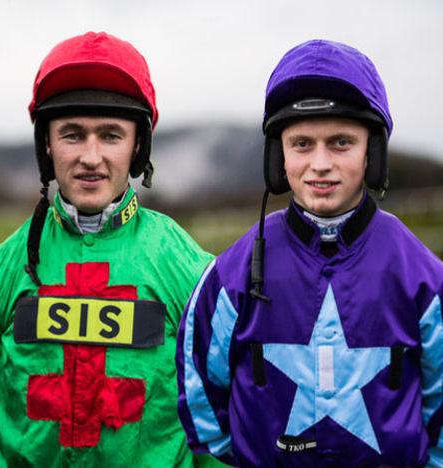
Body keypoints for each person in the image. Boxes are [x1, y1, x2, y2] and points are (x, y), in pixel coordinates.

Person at [176, 39, 443, 467]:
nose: (320, 163)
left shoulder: (421, 273)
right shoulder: (234, 270)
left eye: (341, 143)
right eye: (302, 144)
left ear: (372, 152)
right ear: (276, 156)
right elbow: (202, 384)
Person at [0, 31, 216, 467]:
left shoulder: (194, 273)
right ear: (46, 144)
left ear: (138, 146)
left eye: (110, 135)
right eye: (72, 135)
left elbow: (219, 424)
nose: (90, 157)